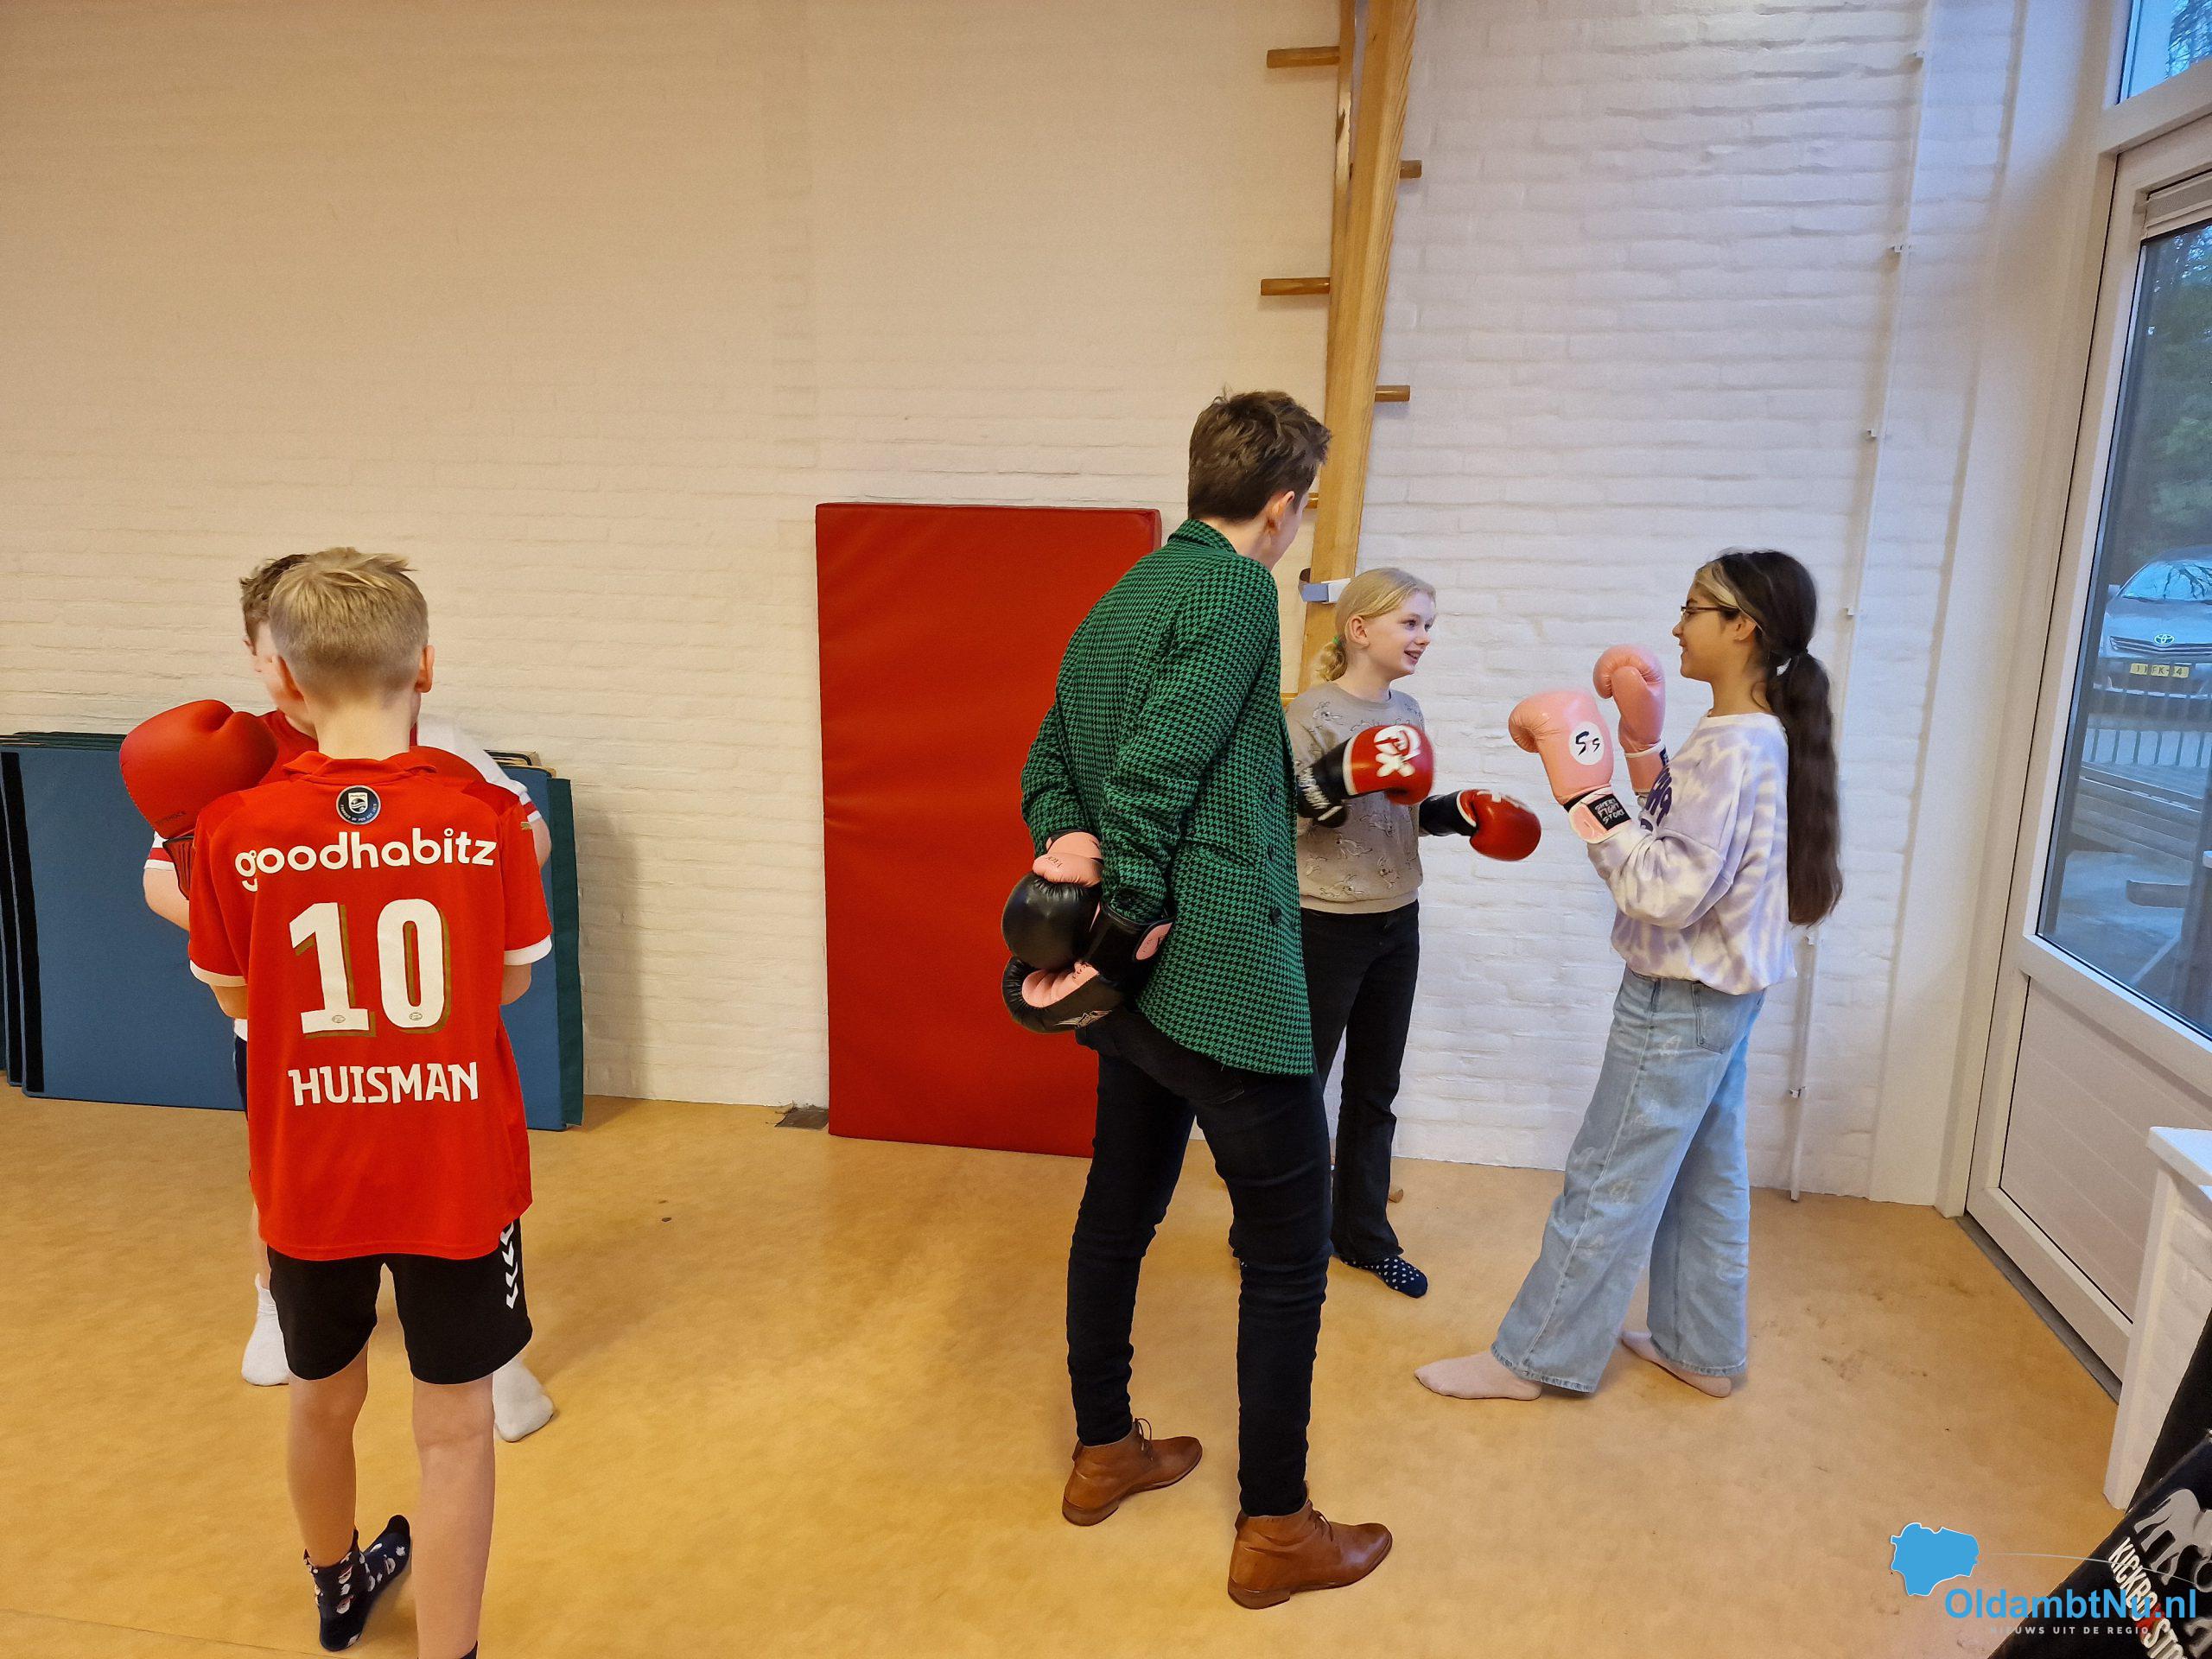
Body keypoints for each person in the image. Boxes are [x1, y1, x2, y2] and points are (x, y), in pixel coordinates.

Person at [1017, 391, 1391, 1610]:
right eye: (1305, 506)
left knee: (1118, 1209)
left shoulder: (1124, 593)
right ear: (1281, 506)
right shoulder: (1235, 592)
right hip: (1213, 973)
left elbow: (1048, 768)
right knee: (1287, 1255)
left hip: (1136, 1003)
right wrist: (1127, 913)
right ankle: (1276, 1528)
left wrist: (1077, 865)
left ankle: (1104, 1452)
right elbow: (1155, 773)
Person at [188, 547, 550, 1659]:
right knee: (456, 1429)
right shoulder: (486, 818)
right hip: (453, 1162)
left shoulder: (230, 828)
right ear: (425, 667)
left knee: (320, 1394)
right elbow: (509, 984)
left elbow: (238, 998)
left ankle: (338, 1585)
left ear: (280, 679)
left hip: (311, 1165)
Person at [1416, 547, 1842, 1403]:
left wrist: (1586, 795)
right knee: (1705, 1175)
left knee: (1607, 1177)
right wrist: (1642, 748)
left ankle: (1531, 1360)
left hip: (1679, 998)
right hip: (1724, 993)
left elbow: (1665, 889)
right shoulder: (1751, 733)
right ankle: (1701, 1349)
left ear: (1743, 627)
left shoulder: (1738, 745)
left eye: (1693, 610)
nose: (1676, 629)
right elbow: (1688, 833)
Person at [1286, 568, 1539, 1299]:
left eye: (1429, 624)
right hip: (1324, 921)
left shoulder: (1408, 709)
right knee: (1300, 1089)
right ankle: (1273, 1236)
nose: (1424, 637)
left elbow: (1399, 810)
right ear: (1359, 629)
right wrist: (1341, 774)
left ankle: (1363, 1237)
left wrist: (1456, 812)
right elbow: (1285, 818)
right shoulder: (1310, 714)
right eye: (1411, 623)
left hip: (1398, 917)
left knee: (1375, 1088)